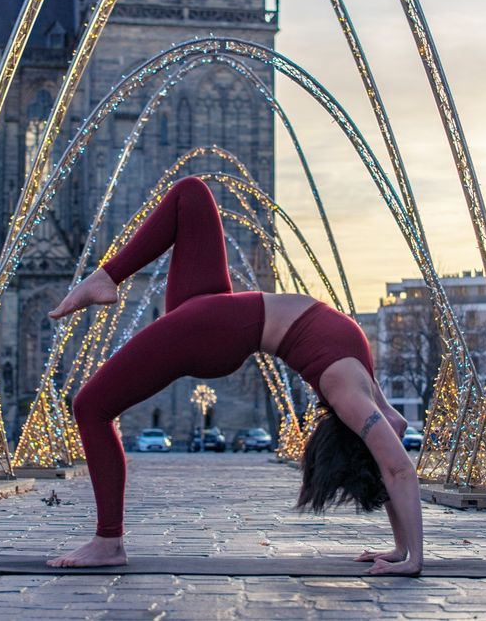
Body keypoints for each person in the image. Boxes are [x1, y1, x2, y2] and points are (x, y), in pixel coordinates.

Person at [45, 177, 423, 576]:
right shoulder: (371, 394)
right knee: (191, 194)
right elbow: (390, 448)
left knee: (90, 406)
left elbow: (398, 469)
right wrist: (400, 549)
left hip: (216, 332)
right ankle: (109, 276)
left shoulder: (346, 392)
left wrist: (414, 559)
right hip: (215, 307)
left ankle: (108, 541)